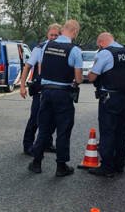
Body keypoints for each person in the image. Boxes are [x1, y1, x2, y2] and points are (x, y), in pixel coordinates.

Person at [28, 19, 83, 177]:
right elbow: (78, 79)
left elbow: (40, 67)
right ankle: (61, 166)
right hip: (63, 94)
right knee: (63, 130)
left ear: (63, 29)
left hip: (46, 93)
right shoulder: (74, 50)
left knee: (44, 128)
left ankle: (36, 162)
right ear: (74, 32)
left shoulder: (45, 46)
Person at [86, 31, 125, 178]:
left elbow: (92, 76)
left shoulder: (105, 53)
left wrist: (89, 74)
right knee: (122, 132)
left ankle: (107, 167)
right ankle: (119, 165)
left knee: (108, 132)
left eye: (99, 46)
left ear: (101, 43)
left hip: (110, 98)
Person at [19, 23, 61, 154]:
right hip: (40, 89)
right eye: (51, 34)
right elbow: (27, 66)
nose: (53, 37)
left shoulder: (63, 49)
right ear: (47, 35)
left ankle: (47, 143)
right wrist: (22, 86)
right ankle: (28, 146)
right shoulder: (40, 48)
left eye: (56, 35)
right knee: (36, 118)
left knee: (53, 119)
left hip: (55, 90)